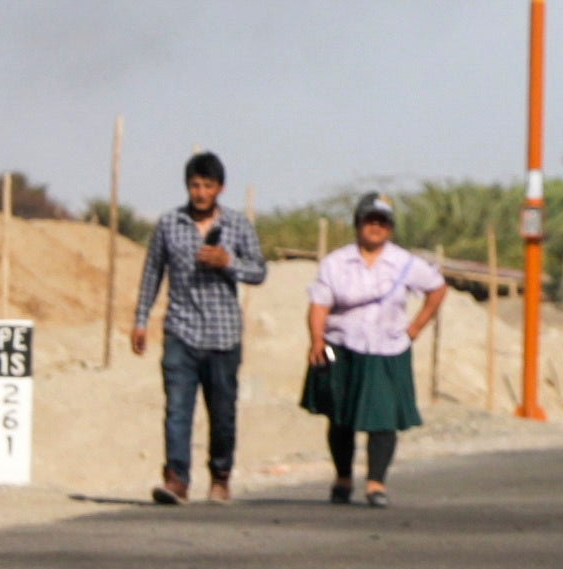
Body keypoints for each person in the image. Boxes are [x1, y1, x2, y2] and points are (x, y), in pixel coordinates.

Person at [128, 152, 269, 504]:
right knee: (177, 407)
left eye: (207, 185)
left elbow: (259, 271)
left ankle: (220, 475)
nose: (201, 192)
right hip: (181, 329)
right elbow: (152, 274)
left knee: (222, 412)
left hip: (223, 336)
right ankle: (176, 478)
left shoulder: (236, 225)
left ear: (219, 188)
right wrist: (141, 319)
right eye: (195, 185)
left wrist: (227, 262)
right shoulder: (169, 224)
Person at [302, 192, 449, 503]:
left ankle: (375, 483)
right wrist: (316, 338)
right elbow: (319, 304)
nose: (375, 227)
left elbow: (437, 288)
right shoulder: (335, 263)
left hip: (387, 349)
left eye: (382, 222)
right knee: (341, 417)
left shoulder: (405, 263)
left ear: (390, 228)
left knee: (382, 419)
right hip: (343, 346)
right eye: (370, 220)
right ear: (358, 223)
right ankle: (343, 478)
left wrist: (416, 327)